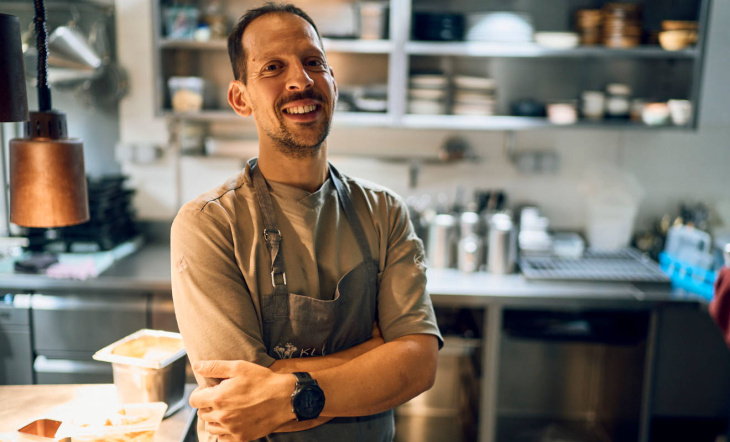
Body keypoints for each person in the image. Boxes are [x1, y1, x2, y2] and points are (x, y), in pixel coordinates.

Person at [170, 3, 443, 441]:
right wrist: (376, 353)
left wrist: (285, 389)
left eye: (314, 62)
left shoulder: (383, 211)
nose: (301, 80)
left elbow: (419, 363)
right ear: (241, 98)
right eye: (273, 67)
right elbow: (236, 397)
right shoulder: (208, 224)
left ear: (333, 82)